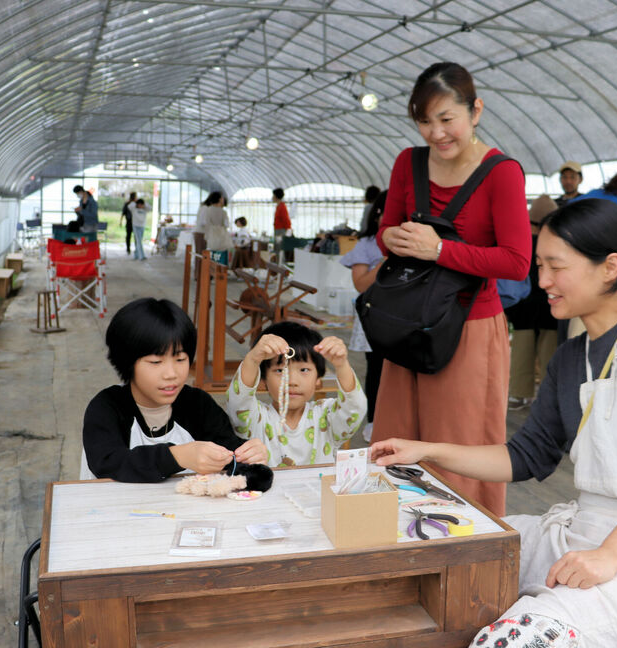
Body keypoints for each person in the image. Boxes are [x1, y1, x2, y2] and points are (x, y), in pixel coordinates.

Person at [372, 198, 617, 647]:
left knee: (530, 635)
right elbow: (526, 455)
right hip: (586, 531)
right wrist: (427, 451)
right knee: (446, 543)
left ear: (610, 267)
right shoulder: (570, 357)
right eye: (540, 266)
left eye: (556, 267)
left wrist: (608, 557)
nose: (542, 281)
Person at [372, 61, 531, 516]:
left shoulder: (502, 172)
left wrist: (439, 250)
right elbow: (386, 231)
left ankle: (468, 558)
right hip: (409, 326)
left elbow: (517, 263)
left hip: (471, 331)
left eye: (447, 119)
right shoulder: (408, 162)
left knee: (461, 451)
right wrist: (395, 239)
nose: (436, 133)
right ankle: (396, 548)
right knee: (396, 440)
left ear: (475, 110)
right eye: (424, 121)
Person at [81, 298, 267, 481]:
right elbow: (108, 463)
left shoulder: (198, 405)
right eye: (156, 362)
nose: (171, 374)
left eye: (180, 360)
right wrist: (177, 456)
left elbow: (230, 452)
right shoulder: (106, 407)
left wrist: (249, 455)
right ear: (127, 363)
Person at [226, 322, 366, 467]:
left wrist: (342, 365)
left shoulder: (326, 416)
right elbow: (237, 402)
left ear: (318, 378)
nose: (292, 381)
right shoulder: (255, 419)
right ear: (262, 380)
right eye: (280, 371)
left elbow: (355, 408)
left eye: (304, 370)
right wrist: (252, 359)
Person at [339, 189, 387, 443]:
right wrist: (384, 263)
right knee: (377, 370)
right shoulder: (367, 245)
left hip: (409, 321)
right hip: (376, 318)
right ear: (377, 215)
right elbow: (360, 284)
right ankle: (375, 423)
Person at [504, 194, 559, 409]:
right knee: (549, 352)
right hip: (550, 303)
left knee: (521, 351)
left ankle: (519, 394)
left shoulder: (521, 239)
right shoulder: (556, 242)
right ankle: (546, 398)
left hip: (523, 305)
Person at [202, 191, 232, 265]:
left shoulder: (208, 210)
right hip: (222, 237)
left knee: (212, 257)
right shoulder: (223, 212)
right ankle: (221, 273)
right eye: (221, 198)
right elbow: (226, 224)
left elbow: (206, 224)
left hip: (212, 236)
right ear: (219, 199)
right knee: (221, 258)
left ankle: (211, 273)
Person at [120, 191, 136, 255]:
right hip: (130, 222)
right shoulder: (128, 203)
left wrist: (120, 221)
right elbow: (123, 213)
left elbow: (123, 213)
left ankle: (131, 249)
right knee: (129, 236)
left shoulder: (135, 203)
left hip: (133, 222)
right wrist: (120, 221)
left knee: (131, 236)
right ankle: (129, 248)